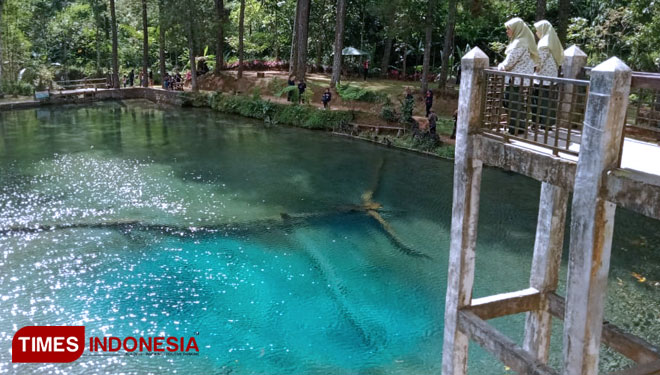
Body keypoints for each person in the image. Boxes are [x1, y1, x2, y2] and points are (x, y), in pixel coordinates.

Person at [498, 17, 538, 135]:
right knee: (517, 102)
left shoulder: (519, 43)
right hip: (520, 79)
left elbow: (510, 62)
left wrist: (501, 66)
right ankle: (520, 127)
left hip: (516, 80)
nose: (507, 31)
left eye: (509, 29)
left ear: (516, 29)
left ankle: (515, 129)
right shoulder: (524, 41)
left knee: (512, 102)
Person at [533, 20, 563, 129]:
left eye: (537, 30)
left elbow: (539, 60)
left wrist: (535, 69)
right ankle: (548, 123)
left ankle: (543, 123)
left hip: (542, 76)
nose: (536, 33)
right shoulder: (553, 41)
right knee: (549, 101)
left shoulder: (543, 43)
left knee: (541, 101)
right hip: (551, 76)